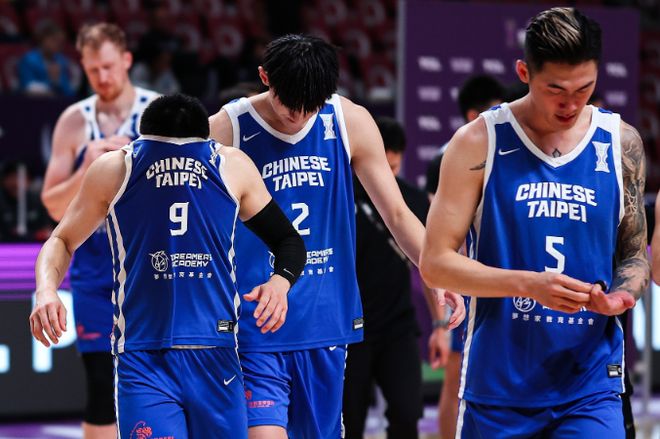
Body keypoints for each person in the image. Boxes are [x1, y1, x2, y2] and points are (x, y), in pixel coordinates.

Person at [209, 34, 466, 439]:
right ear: (265, 78)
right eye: (289, 104)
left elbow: (397, 213)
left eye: (309, 107)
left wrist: (435, 271)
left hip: (325, 318)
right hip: (256, 318)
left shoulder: (349, 121)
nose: (298, 117)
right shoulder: (226, 128)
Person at [420, 7, 649, 438]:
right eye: (556, 89)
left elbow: (635, 254)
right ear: (524, 72)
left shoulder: (621, 143)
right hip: (499, 386)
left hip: (591, 382)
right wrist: (528, 284)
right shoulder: (477, 142)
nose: (571, 103)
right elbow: (435, 263)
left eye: (584, 88)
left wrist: (620, 297)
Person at [30, 93, 307, 438]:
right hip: (147, 358)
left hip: (210, 353)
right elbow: (290, 242)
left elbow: (60, 239)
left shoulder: (119, 166)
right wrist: (45, 290)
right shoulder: (227, 164)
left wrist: (280, 282)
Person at [40, 23, 158, 439]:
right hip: (95, 270)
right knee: (101, 385)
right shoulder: (75, 121)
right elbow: (52, 204)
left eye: (108, 66)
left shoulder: (158, 110)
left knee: (156, 382)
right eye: (93, 70)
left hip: (149, 268)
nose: (102, 77)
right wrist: (87, 169)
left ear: (126, 61)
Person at [343, 116, 448, 439]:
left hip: (397, 328)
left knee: (406, 413)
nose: (386, 176)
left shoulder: (411, 200)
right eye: (381, 166)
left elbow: (427, 266)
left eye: (394, 167)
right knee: (348, 422)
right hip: (350, 330)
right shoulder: (342, 197)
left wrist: (440, 325)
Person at [424, 74, 505, 439]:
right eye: (494, 109)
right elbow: (441, 240)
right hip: (464, 285)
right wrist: (442, 318)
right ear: (474, 114)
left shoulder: (506, 149)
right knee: (456, 379)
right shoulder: (449, 157)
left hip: (500, 283)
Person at [18, 20, 76, 97]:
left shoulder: (61, 60)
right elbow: (27, 87)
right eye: (54, 40)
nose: (58, 45)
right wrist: (52, 83)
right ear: (42, 39)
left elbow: (68, 91)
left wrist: (56, 81)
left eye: (60, 42)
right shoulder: (28, 60)